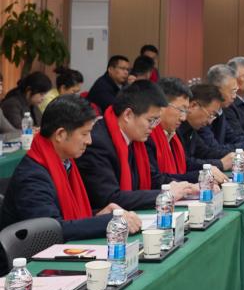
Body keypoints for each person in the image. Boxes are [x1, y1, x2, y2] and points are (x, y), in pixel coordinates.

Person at [0, 95, 143, 240]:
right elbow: (49, 231)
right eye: (84, 134)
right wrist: (108, 222)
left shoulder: (65, 163)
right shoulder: (32, 177)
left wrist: (99, 215)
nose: (89, 141)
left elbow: (68, 217)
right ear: (60, 134)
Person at [76, 80, 195, 211]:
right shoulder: (97, 143)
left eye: (157, 120)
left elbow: (152, 178)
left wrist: (186, 188)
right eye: (151, 120)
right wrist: (165, 195)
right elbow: (110, 198)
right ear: (128, 115)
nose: (154, 127)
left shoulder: (135, 137)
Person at [146, 77, 227, 183]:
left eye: (185, 111)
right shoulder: (147, 135)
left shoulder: (173, 133)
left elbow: (185, 162)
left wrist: (207, 170)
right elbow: (155, 179)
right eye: (181, 110)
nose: (183, 118)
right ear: (162, 105)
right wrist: (200, 176)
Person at [176, 83, 244, 169]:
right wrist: (220, 164)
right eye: (210, 114)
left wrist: (238, 155)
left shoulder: (191, 129)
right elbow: (185, 164)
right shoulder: (177, 128)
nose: (209, 122)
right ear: (193, 106)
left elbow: (206, 152)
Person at [0, 74, 20, 143]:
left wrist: (28, 132)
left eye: (0, 84)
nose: (0, 89)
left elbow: (10, 131)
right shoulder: (12, 103)